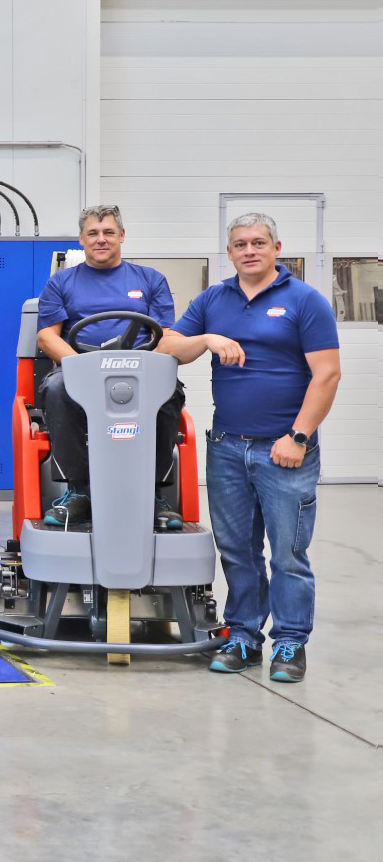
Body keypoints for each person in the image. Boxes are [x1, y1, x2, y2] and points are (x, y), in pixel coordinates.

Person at [158, 213, 340, 683]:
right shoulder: (214, 299)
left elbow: (327, 374)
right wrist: (207, 338)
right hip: (227, 448)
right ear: (230, 251)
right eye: (240, 244)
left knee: (287, 555)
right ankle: (243, 636)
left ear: (277, 247)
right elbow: (167, 346)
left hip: (285, 450)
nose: (249, 250)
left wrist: (298, 437)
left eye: (259, 242)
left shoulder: (305, 301)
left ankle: (290, 643)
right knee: (238, 550)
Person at [36, 204, 185, 529]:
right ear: (82, 238)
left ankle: (154, 494)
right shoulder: (61, 283)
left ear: (122, 235)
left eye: (108, 232)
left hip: (140, 371)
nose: (100, 239)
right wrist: (81, 370)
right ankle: (78, 492)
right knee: (58, 389)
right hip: (78, 371)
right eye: (93, 233)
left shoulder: (150, 280)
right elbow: (48, 337)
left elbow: (165, 335)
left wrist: (143, 364)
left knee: (168, 393)